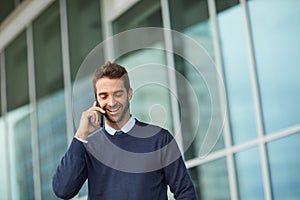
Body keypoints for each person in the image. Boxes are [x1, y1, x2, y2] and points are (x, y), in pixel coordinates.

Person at [52, 62, 198, 199]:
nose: (111, 102)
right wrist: (81, 135)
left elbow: (185, 192)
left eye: (118, 94)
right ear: (96, 101)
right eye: (104, 96)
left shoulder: (159, 139)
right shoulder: (89, 147)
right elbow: (63, 189)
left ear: (129, 94)